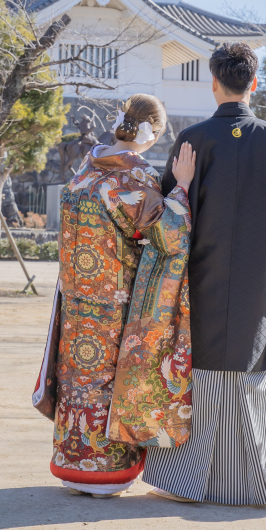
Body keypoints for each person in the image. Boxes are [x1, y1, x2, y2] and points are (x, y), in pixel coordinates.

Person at [142, 42, 266, 506]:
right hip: (256, 290)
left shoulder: (192, 141)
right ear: (254, 83)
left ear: (214, 84)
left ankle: (188, 482)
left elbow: (166, 226)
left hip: (196, 290)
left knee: (198, 381)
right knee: (251, 380)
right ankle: (253, 483)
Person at [33, 94, 196, 497]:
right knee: (107, 377)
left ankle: (71, 462)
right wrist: (184, 187)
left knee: (77, 375)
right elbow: (170, 234)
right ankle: (105, 471)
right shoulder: (132, 177)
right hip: (114, 297)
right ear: (153, 134)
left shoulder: (86, 169)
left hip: (75, 295)